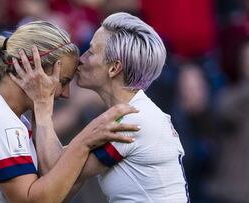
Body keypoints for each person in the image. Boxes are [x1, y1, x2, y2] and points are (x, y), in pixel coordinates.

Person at [0, 21, 139, 203]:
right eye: (63, 82)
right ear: (33, 70)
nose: (66, 94)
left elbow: (55, 192)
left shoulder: (5, 116)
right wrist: (83, 142)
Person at [12, 12, 189, 202]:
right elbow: (65, 175)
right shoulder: (135, 114)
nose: (81, 58)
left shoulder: (131, 123)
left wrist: (41, 103)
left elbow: (55, 172)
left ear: (114, 68)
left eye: (91, 52)